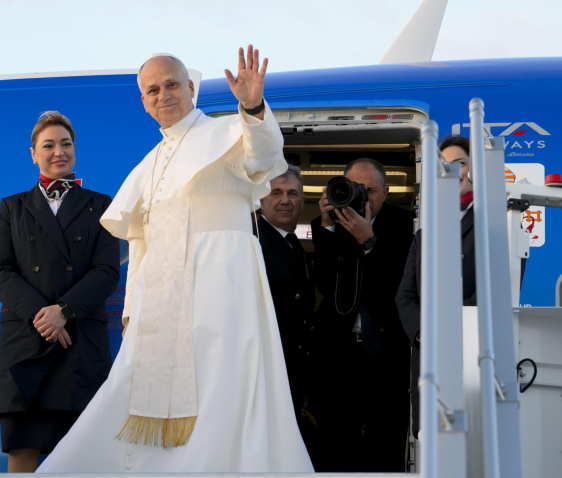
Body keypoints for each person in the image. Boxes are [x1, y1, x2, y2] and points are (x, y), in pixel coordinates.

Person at [36, 46, 314, 473]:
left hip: (220, 282)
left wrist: (254, 107)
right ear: (144, 103)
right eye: (152, 90)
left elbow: (262, 158)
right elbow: (142, 243)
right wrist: (131, 311)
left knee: (219, 382)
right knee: (133, 387)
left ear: (190, 88)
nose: (163, 95)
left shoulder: (227, 132)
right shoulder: (149, 164)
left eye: (171, 85)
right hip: (161, 300)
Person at [0, 111, 120, 472]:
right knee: (23, 453)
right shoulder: (11, 208)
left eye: (66, 143)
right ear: (33, 153)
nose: (58, 151)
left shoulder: (101, 205)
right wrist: (42, 315)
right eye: (48, 145)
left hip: (78, 342)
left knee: (81, 457)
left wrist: (64, 310)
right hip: (26, 342)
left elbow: (107, 271)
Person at [310, 157, 414, 472]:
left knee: (386, 441)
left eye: (369, 190)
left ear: (387, 192)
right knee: (338, 442)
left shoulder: (407, 223)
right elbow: (326, 284)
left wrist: (368, 240)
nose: (362, 197)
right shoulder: (328, 224)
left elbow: (401, 286)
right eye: (355, 188)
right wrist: (328, 227)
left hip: (388, 354)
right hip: (340, 354)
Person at [396, 135, 476, 439]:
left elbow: (496, 293)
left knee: (470, 449)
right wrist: (424, 333)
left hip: (470, 358)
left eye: (462, 163)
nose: (454, 171)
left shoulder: (496, 224)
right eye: (445, 166)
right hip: (427, 359)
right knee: (431, 447)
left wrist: (447, 329)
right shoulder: (424, 234)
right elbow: (405, 296)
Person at [256, 166, 321, 464]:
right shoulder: (253, 239)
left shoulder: (293, 243)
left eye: (292, 193)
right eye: (276, 193)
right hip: (266, 375)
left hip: (290, 372)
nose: (285, 200)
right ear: (261, 199)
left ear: (302, 198)